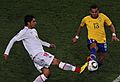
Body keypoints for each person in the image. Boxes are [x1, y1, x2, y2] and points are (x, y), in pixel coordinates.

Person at [4, 15, 88, 82]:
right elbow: (13, 40)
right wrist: (6, 52)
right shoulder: (23, 32)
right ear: (28, 23)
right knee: (57, 61)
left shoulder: (33, 31)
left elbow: (38, 41)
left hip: (37, 57)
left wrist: (48, 45)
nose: (35, 23)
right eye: (34, 21)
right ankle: (78, 69)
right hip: (38, 55)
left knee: (46, 73)